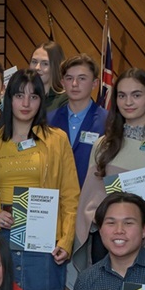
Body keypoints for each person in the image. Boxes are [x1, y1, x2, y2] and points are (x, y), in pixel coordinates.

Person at [0, 70, 79, 290]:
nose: (26, 102)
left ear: (41, 101)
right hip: (2, 235)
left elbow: (70, 194)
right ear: (8, 99)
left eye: (34, 95)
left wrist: (66, 239)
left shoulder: (57, 139)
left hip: (43, 238)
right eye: (18, 95)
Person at [72, 69, 145, 277]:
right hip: (108, 242)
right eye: (122, 95)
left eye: (136, 95)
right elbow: (89, 201)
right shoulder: (103, 145)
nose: (128, 102)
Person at [49, 54, 108, 190]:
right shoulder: (48, 120)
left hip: (92, 199)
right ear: (63, 82)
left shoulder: (108, 121)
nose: (74, 84)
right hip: (56, 200)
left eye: (82, 78)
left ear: (95, 83)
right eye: (69, 78)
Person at [27, 41, 68, 113]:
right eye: (34, 62)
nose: (37, 67)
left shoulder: (65, 100)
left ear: (56, 67)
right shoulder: (23, 97)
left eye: (45, 63)